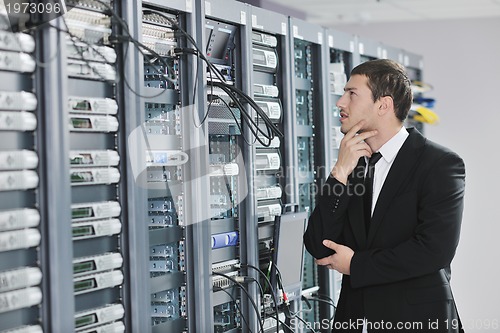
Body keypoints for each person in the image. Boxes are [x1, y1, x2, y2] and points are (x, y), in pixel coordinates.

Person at [303, 59, 465, 333]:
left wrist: (356, 264)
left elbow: (434, 250)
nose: (340, 102)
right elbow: (319, 246)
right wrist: (340, 172)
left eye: (352, 93)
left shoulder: (439, 163)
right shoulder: (354, 164)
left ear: (383, 105)